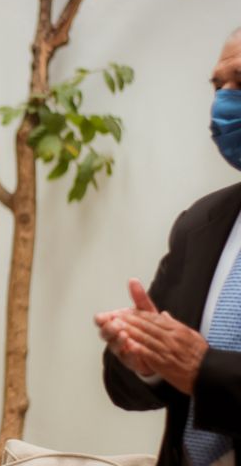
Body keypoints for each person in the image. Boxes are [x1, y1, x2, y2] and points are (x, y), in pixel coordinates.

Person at [96, 28, 241, 466]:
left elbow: (198, 367)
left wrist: (203, 371)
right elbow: (129, 389)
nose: (224, 101)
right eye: (219, 86)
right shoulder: (201, 223)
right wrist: (148, 361)